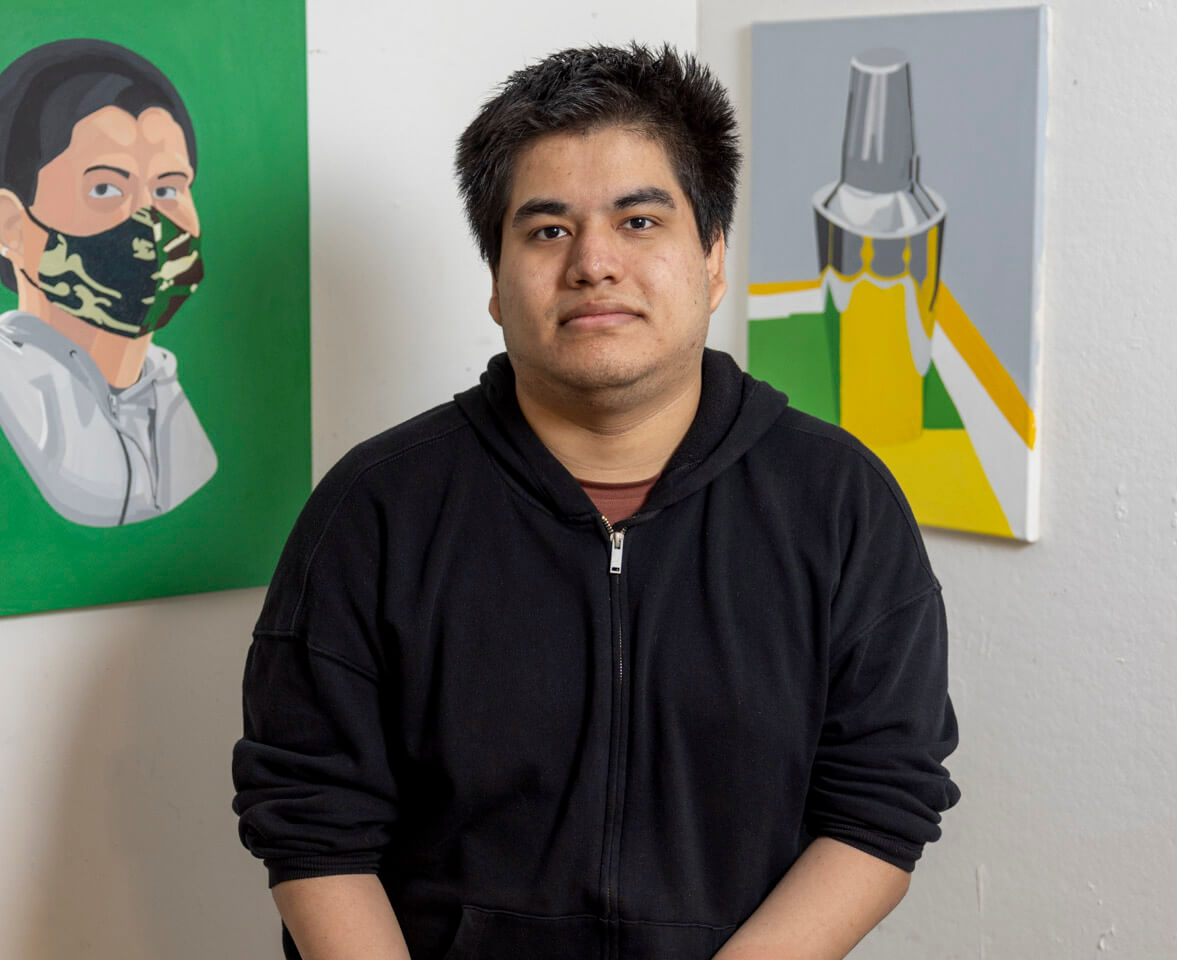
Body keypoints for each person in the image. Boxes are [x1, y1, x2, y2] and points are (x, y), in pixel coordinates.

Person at [233, 42, 959, 960]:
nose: (594, 264)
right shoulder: (373, 509)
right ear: (495, 283)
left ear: (713, 259)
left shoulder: (840, 502)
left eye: (639, 221)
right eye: (547, 231)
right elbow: (309, 817)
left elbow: (881, 802)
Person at [0, 38, 214, 527]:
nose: (151, 222)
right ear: (10, 225)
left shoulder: (166, 392)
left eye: (168, 188)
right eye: (104, 188)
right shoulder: (15, 393)